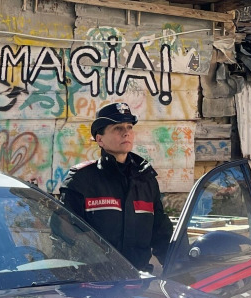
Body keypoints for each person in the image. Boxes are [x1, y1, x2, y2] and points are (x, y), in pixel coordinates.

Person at [59, 102, 172, 272]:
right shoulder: (81, 180)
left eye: (129, 127)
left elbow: (161, 232)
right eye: (117, 128)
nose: (126, 132)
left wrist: (178, 268)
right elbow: (63, 237)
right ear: (100, 139)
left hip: (138, 282)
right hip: (95, 285)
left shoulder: (146, 179)